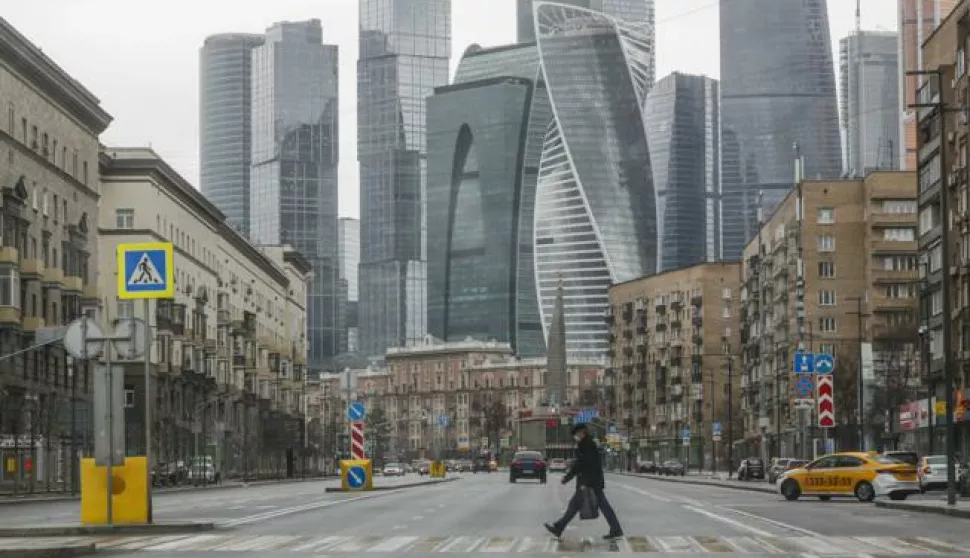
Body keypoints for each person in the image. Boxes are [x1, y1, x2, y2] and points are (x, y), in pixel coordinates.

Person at [544, 423, 623, 539]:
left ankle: (559, 527)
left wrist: (584, 483)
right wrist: (567, 478)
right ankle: (559, 527)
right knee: (578, 505)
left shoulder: (588, 445)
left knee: (596, 506)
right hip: (591, 482)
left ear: (582, 432)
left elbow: (589, 465)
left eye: (576, 433)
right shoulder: (584, 444)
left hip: (590, 483)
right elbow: (579, 465)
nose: (575, 436)